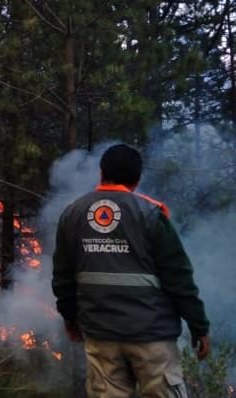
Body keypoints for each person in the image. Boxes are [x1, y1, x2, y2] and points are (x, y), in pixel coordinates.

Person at [52, 143, 210, 397]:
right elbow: (178, 278)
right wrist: (199, 326)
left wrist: (71, 319)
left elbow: (62, 279)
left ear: (101, 173)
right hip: (152, 336)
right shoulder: (151, 214)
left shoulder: (73, 214)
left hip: (101, 334)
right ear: (137, 179)